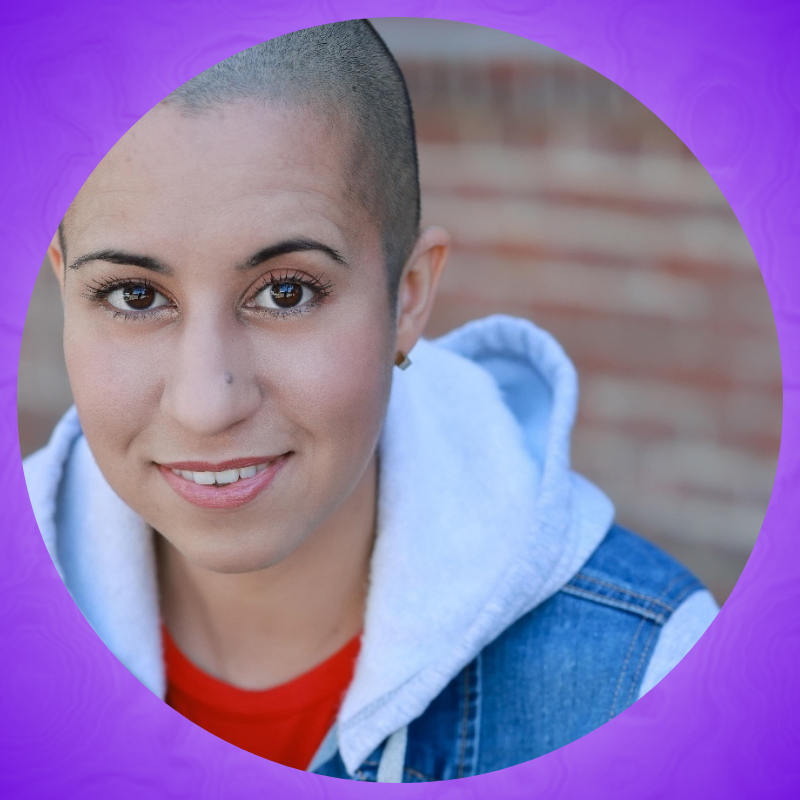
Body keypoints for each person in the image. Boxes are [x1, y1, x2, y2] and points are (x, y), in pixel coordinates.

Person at [23, 19, 718, 782]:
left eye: (286, 293)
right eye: (133, 294)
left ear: (409, 296)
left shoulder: (649, 678)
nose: (205, 404)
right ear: (64, 285)